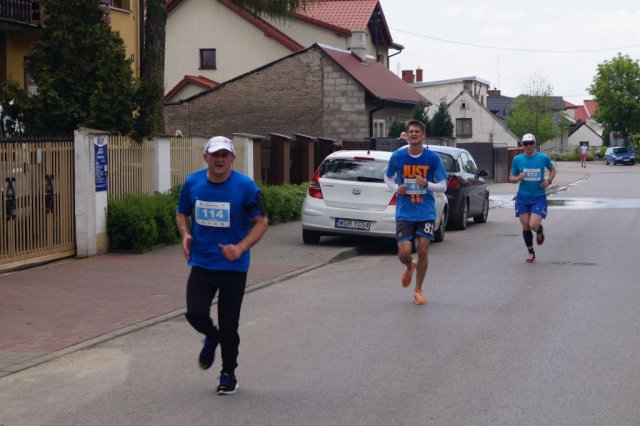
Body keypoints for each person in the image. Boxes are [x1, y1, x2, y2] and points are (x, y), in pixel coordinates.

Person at [176, 136, 269, 395]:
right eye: (214, 155)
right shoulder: (192, 182)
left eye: (224, 155)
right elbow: (181, 212)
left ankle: (228, 373)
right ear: (205, 157)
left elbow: (262, 222)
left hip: (233, 267)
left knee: (229, 326)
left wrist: (240, 247)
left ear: (232, 158)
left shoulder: (246, 187)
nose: (219, 159)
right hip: (202, 263)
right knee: (195, 313)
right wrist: (185, 234)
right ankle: (211, 335)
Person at [384, 119, 448, 304]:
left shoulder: (432, 158)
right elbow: (387, 177)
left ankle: (418, 289)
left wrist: (426, 184)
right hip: (405, 211)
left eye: (417, 131)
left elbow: (443, 185)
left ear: (423, 135)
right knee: (404, 252)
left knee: (423, 251)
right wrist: (397, 188)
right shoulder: (398, 156)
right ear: (407, 135)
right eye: (411, 131)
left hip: (425, 211)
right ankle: (409, 265)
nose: (413, 134)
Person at [509, 133, 556, 263]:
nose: (528, 146)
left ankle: (539, 230)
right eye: (525, 144)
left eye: (530, 143)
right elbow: (511, 177)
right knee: (525, 226)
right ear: (522, 145)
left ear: (535, 145)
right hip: (523, 198)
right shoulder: (517, 159)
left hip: (538, 197)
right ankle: (531, 252)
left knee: (533, 225)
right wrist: (517, 178)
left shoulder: (543, 157)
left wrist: (549, 181)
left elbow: (553, 170)